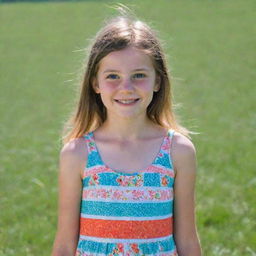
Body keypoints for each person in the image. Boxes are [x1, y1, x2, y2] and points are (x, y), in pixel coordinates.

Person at [51, 10, 202, 256]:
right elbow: (65, 244)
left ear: (158, 81)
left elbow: (187, 240)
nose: (126, 88)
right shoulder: (77, 154)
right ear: (95, 83)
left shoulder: (178, 151)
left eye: (139, 75)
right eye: (113, 76)